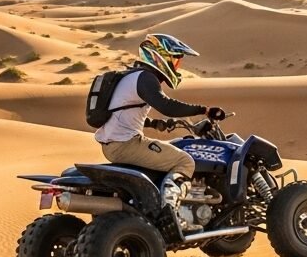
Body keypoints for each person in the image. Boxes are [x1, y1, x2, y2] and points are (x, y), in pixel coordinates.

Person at [93, 33, 225, 234]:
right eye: (176, 59)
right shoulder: (146, 78)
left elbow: (122, 113)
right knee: (185, 162)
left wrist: (155, 123)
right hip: (126, 145)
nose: (177, 65)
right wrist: (204, 110)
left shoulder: (131, 77)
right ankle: (169, 211)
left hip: (114, 144)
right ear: (160, 56)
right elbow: (166, 105)